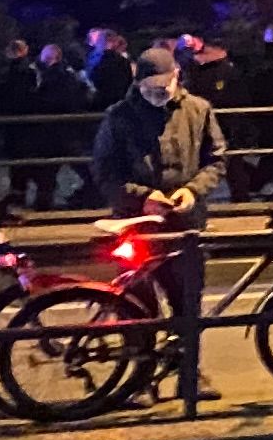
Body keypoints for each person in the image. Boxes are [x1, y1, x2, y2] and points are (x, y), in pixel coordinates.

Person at [91, 42, 231, 408]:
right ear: (137, 86)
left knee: (188, 303)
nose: (157, 95)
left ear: (177, 76)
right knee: (138, 306)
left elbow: (216, 160)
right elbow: (104, 172)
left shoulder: (198, 110)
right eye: (149, 90)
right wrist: (141, 197)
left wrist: (192, 190)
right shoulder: (119, 116)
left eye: (163, 88)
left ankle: (189, 374)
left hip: (185, 224)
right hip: (137, 224)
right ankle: (139, 379)